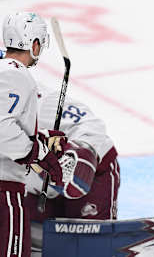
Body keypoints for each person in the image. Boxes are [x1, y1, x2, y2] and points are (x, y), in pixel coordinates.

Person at [0, 12, 67, 257]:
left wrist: (41, 139)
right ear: (34, 44)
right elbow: (2, 130)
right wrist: (38, 152)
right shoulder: (15, 74)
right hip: (4, 191)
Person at [23, 86, 120, 252]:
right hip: (33, 189)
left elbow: (90, 126)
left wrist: (81, 151)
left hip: (87, 179)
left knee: (90, 249)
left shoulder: (40, 101)